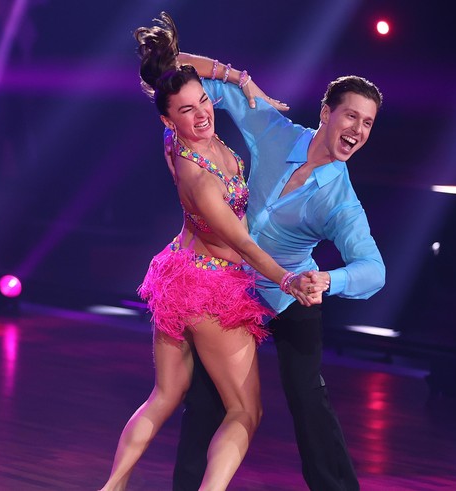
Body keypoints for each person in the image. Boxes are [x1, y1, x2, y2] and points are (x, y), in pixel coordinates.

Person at [99, 13, 327, 491]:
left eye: (203, 101)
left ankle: (113, 486)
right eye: (187, 110)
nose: (202, 114)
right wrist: (286, 280)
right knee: (245, 410)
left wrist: (242, 81)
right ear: (167, 119)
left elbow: (173, 68)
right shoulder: (198, 178)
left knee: (166, 394)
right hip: (210, 289)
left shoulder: (177, 136)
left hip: (178, 271)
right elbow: (242, 244)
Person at [171, 49, 386, 490]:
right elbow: (186, 85)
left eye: (367, 124)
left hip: (289, 292)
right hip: (233, 287)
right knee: (206, 399)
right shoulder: (274, 129)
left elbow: (374, 269)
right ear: (326, 113)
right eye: (351, 117)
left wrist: (329, 280)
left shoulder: (340, 201)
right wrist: (235, 80)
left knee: (308, 396)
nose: (357, 131)